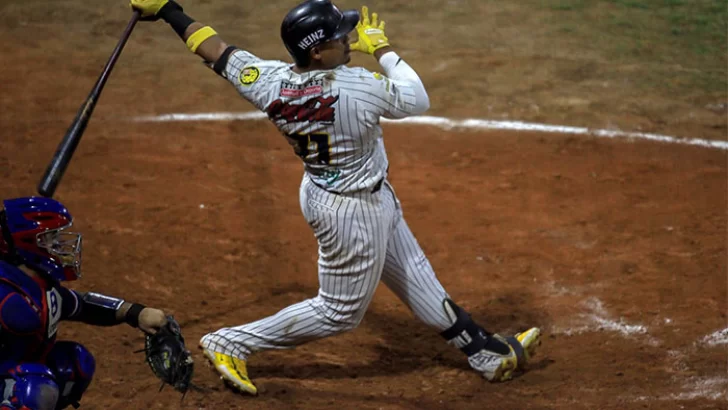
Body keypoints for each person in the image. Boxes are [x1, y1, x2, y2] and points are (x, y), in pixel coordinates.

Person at [129, 0, 542, 395]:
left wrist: (168, 10)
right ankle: (232, 342)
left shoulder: (269, 80)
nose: (349, 39)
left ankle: (482, 351)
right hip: (351, 212)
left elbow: (215, 49)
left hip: (336, 192)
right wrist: (380, 46)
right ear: (320, 51)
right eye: (341, 37)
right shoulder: (357, 87)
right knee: (339, 312)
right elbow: (417, 97)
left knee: (414, 270)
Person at [0, 197, 172, 409]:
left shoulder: (39, 285)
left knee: (72, 365)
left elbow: (81, 305)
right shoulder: (5, 288)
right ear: (27, 243)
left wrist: (135, 313)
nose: (60, 245)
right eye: (51, 239)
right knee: (33, 387)